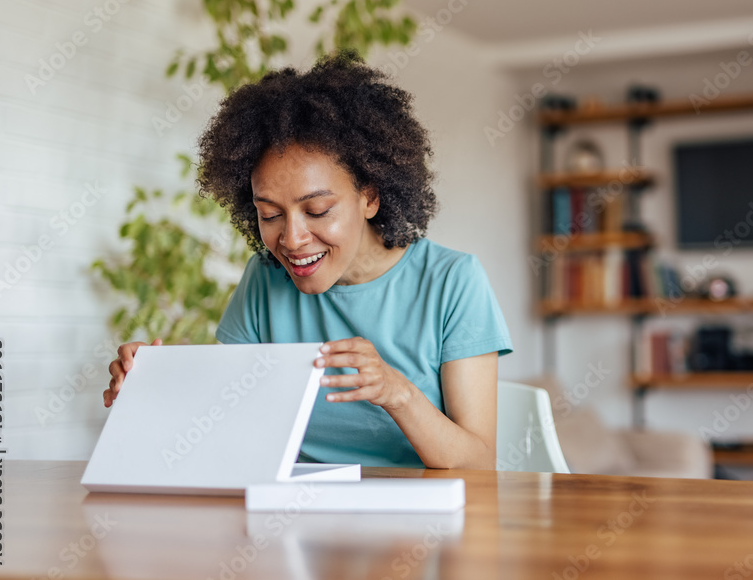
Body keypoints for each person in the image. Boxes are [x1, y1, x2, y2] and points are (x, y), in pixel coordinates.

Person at [103, 50, 512, 470]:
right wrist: (155, 384)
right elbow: (227, 426)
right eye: (270, 215)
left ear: (369, 197)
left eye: (317, 211)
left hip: (419, 523)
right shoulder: (264, 280)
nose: (292, 240)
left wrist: (396, 392)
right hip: (294, 516)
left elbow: (478, 465)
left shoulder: (452, 282)